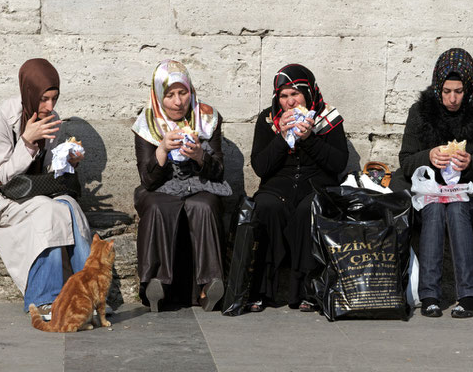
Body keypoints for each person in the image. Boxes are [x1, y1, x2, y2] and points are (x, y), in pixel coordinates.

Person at [0, 58, 91, 321]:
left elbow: (49, 171)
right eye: (43, 99)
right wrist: (27, 141)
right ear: (29, 92)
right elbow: (4, 174)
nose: (49, 106)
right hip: (2, 196)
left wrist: (67, 159)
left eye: (54, 98)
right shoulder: (0, 121)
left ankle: (85, 294)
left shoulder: (52, 118)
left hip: (37, 191)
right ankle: (43, 299)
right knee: (49, 212)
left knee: (70, 208)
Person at [397, 48, 473, 318]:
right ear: (437, 87)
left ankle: (468, 295)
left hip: (468, 196)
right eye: (446, 91)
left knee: (456, 208)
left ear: (470, 90)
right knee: (435, 208)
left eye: (459, 91)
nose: (452, 98)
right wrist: (428, 156)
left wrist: (470, 163)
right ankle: (430, 295)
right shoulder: (420, 113)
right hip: (429, 193)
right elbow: (405, 161)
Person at [131, 59, 231, 312]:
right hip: (162, 185)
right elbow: (148, 179)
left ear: (191, 91)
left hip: (199, 183)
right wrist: (163, 147)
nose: (178, 102)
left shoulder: (207, 117)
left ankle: (210, 285)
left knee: (203, 206)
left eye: (183, 92)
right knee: (156, 207)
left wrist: (199, 155)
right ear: (157, 96)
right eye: (170, 95)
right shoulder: (147, 122)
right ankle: (156, 285)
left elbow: (219, 172)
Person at [249, 64, 348, 312]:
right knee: (267, 207)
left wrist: (309, 139)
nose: (290, 102)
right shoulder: (267, 120)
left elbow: (337, 163)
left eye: (295, 94)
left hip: (316, 185)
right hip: (278, 186)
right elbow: (260, 166)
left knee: (309, 210)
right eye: (284, 96)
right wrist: (282, 138)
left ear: (308, 93)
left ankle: (305, 291)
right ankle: (262, 291)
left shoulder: (328, 119)